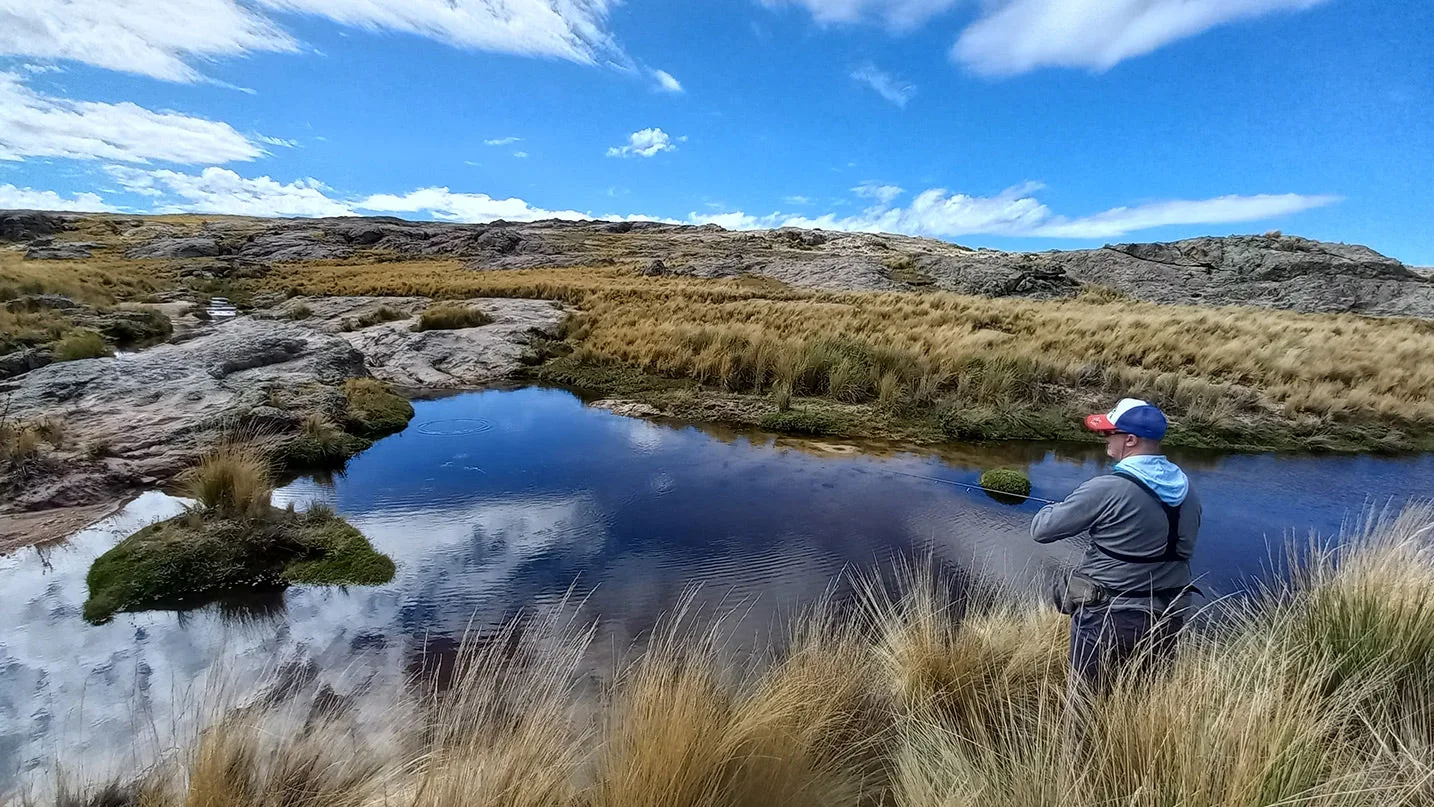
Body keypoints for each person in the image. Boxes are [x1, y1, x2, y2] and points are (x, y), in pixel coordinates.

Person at [1031, 398, 1201, 691]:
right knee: (1139, 702)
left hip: (1109, 617)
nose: (1104, 437)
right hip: (1169, 616)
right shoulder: (1187, 489)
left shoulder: (1107, 488)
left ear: (1131, 440)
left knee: (1086, 703)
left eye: (1110, 433)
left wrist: (1061, 505)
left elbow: (1042, 530)